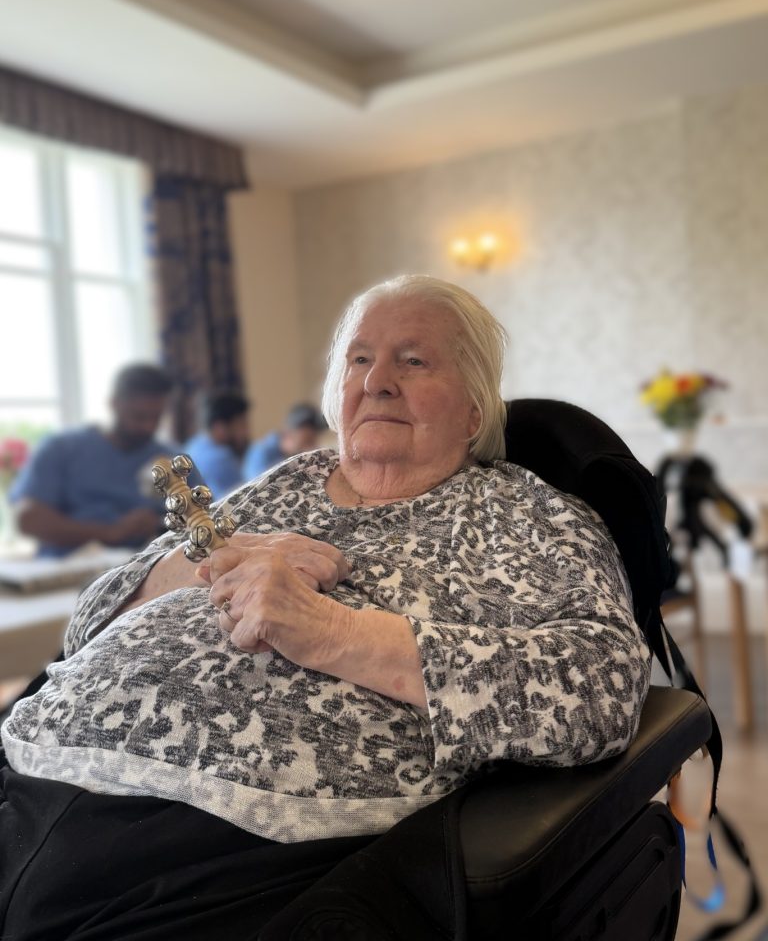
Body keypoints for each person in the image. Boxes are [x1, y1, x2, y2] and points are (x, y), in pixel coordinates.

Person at [0, 275, 650, 940]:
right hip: (27, 773)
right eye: (360, 360)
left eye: (414, 360)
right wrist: (218, 562)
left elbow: (602, 684)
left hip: (223, 840)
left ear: (476, 412)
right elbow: (90, 620)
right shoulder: (285, 482)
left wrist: (332, 631)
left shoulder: (526, 515)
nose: (377, 382)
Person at [10, 363, 175, 557]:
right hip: (67, 569)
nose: (148, 427)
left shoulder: (172, 459)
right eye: (139, 417)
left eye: (156, 418)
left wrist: (157, 523)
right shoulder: (61, 448)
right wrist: (110, 532)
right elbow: (28, 518)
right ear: (113, 403)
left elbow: (203, 519)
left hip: (145, 568)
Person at [184, 392, 251, 499]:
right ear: (219, 427)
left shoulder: (193, 445)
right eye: (241, 425)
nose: (246, 432)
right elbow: (244, 501)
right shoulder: (221, 458)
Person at [243, 401, 326, 479]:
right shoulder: (261, 453)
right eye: (308, 440)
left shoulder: (298, 457)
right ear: (290, 432)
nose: (312, 447)